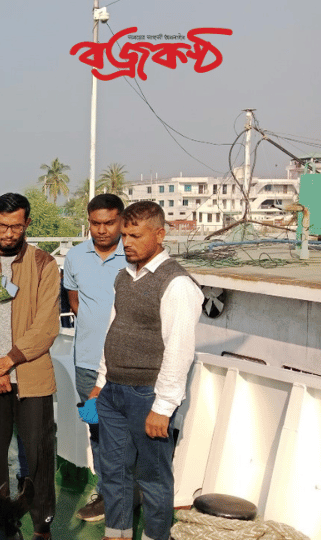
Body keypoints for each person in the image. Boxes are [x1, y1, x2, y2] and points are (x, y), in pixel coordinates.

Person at [88, 201, 203, 540]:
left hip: (147, 395)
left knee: (153, 477)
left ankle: (156, 535)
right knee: (115, 471)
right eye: (124, 235)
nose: (126, 242)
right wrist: (100, 383)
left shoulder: (177, 284)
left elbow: (179, 349)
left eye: (135, 235)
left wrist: (163, 407)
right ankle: (117, 532)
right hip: (113, 393)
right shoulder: (124, 277)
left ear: (159, 234)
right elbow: (115, 327)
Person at [0, 193, 60, 539]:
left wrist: (8, 362)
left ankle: (41, 525)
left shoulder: (45, 264)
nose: (8, 233)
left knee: (38, 453)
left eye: (15, 226)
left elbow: (47, 325)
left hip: (31, 376)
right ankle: (0, 520)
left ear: (27, 224)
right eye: (2, 225)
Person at [62, 193, 127, 522]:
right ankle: (106, 493)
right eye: (95, 223)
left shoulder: (134, 255)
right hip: (87, 361)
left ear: (121, 221)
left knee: (127, 433)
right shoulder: (74, 256)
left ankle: (125, 495)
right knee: (98, 432)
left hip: (127, 365)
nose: (101, 230)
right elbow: (75, 302)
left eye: (109, 223)